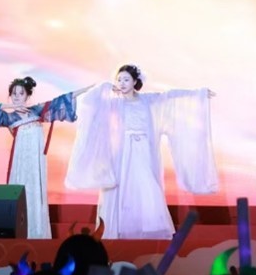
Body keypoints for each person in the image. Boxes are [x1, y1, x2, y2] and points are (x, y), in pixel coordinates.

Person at [65, 64, 218, 239]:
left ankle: (146, 228)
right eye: (119, 79)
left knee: (146, 185)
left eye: (126, 79)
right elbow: (89, 102)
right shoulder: (114, 102)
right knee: (119, 187)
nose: (122, 83)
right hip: (121, 151)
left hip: (143, 150)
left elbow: (170, 96)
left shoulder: (147, 100)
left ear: (135, 82)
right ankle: (119, 229)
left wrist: (198, 94)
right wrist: (104, 87)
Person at [0, 76, 93, 239]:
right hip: (20, 163)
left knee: (35, 191)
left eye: (21, 93)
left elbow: (60, 100)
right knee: (20, 191)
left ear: (28, 95)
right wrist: (10, 106)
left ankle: (37, 231)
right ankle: (19, 231)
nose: (17, 96)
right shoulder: (9, 117)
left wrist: (87, 89)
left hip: (36, 163)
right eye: (14, 94)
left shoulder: (36, 111)